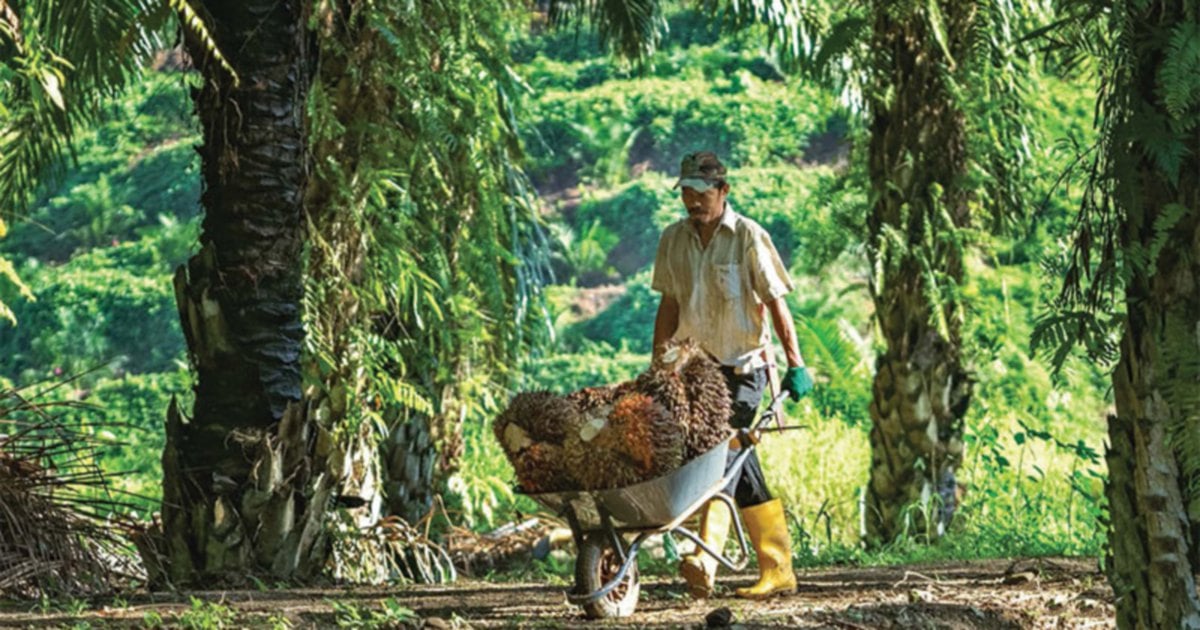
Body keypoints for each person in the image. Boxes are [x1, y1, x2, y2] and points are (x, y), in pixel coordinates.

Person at [650, 151, 813, 600]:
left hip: (743, 368)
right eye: (686, 191)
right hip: (694, 370)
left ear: (723, 191)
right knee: (734, 459)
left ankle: (707, 556)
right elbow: (669, 304)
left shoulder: (747, 237)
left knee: (721, 449)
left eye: (702, 192)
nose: (693, 200)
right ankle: (776, 567)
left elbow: (776, 302)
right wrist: (657, 366)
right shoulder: (673, 239)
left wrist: (796, 364)